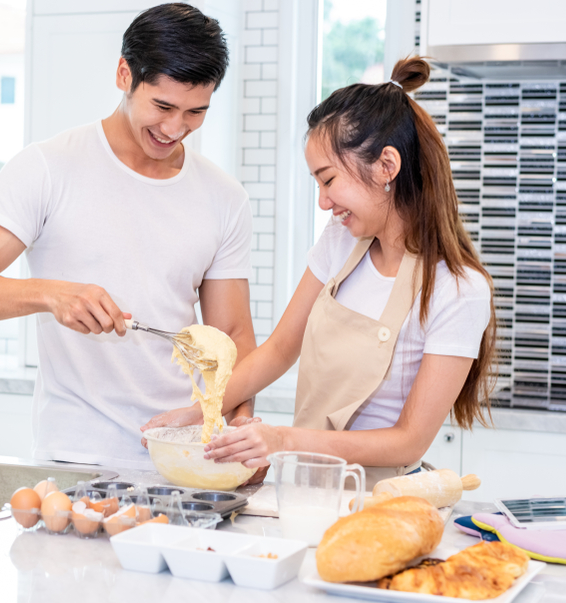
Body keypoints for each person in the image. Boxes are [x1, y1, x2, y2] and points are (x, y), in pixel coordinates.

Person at [0, 3, 257, 470]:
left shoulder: (224, 196)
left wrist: (241, 428)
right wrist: (51, 294)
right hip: (75, 459)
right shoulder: (48, 167)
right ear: (125, 74)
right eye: (162, 106)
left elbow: (233, 335)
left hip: (184, 457)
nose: (174, 129)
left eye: (195, 112)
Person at [142, 57, 496, 488]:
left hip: (378, 499)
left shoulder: (458, 289)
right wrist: (195, 417)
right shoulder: (340, 241)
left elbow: (409, 442)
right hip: (305, 490)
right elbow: (278, 350)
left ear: (387, 166)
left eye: (328, 180)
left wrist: (282, 440)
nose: (324, 202)